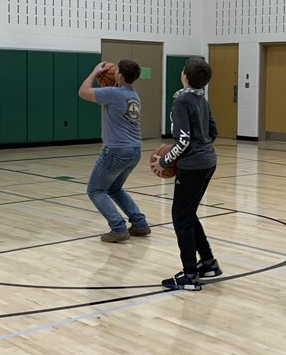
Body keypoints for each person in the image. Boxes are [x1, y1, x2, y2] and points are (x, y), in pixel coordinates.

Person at [151, 57, 219, 291]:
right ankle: (208, 262)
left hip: (194, 166)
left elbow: (182, 140)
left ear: (185, 77)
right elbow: (213, 131)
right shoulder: (202, 100)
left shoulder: (182, 101)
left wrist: (165, 160)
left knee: (180, 218)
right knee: (188, 214)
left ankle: (190, 275)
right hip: (209, 160)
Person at [78, 60, 150, 243]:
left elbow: (83, 92)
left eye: (116, 70)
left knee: (95, 190)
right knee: (115, 189)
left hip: (116, 150)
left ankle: (118, 227)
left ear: (119, 75)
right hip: (135, 150)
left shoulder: (114, 93)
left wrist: (95, 72)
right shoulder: (134, 95)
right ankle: (139, 223)